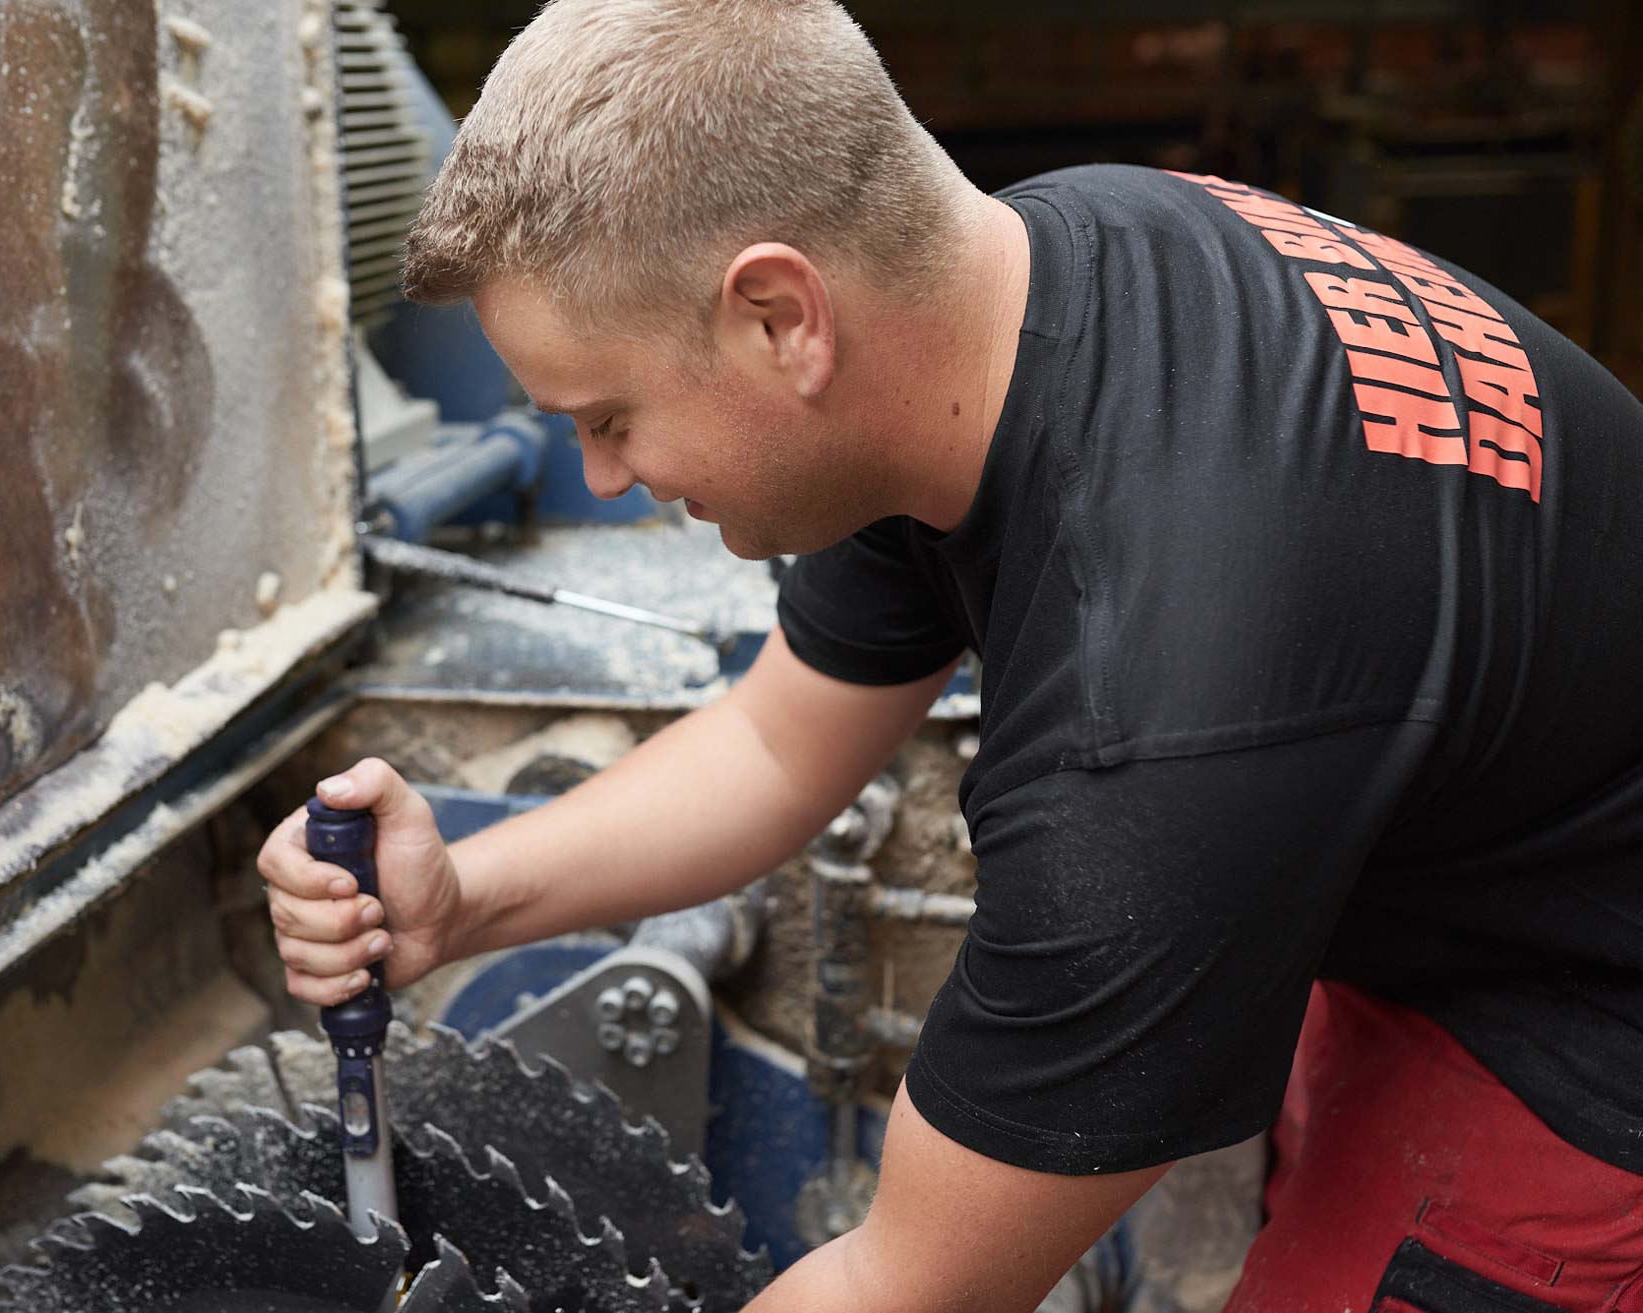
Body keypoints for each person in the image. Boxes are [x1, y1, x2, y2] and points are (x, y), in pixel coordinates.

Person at [257, 2, 1643, 1308]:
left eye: (610, 415)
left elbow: (911, 1283)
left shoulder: (1161, 707)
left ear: (782, 318)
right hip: (1468, 859)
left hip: (1584, 1031)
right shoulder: (1025, 287)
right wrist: (458, 900)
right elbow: (775, 742)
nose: (602, 478)